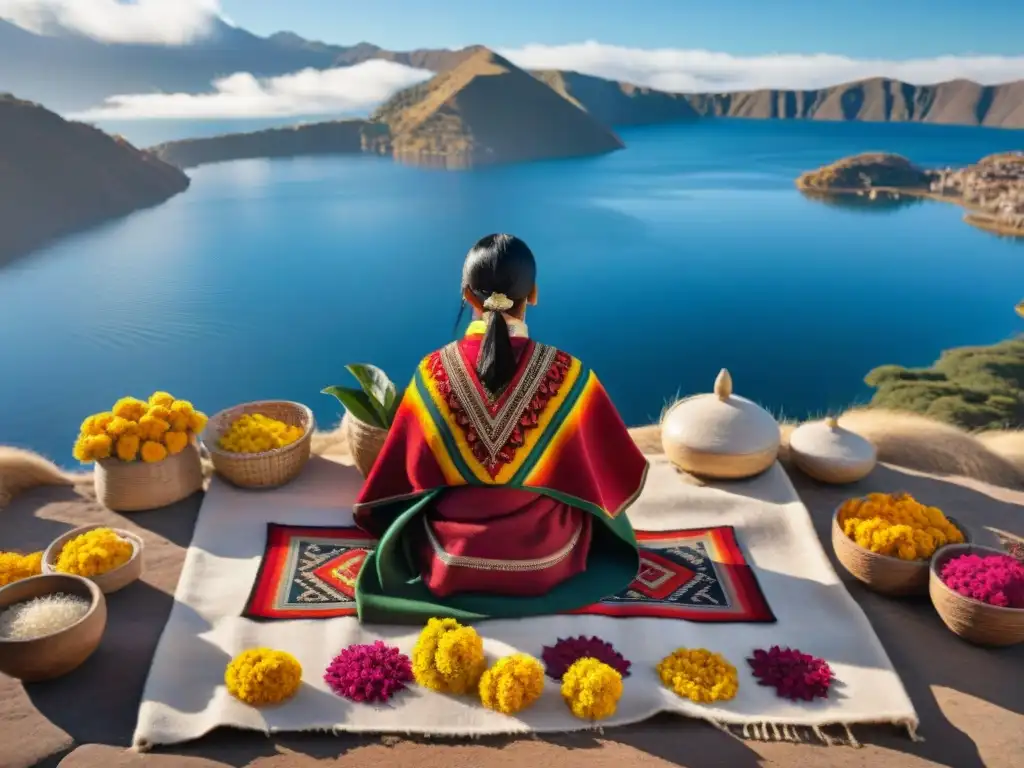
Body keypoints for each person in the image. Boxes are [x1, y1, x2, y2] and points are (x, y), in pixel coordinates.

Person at [352, 234, 648, 624]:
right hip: (549, 559)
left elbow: (402, 477)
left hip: (451, 557)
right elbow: (610, 470)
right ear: (535, 293)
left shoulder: (432, 372)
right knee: (604, 511)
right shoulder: (570, 374)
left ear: (467, 296)